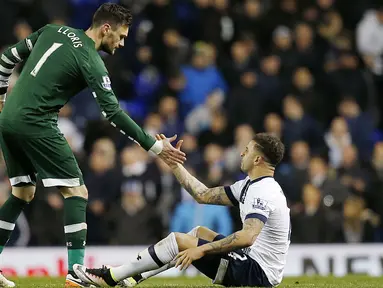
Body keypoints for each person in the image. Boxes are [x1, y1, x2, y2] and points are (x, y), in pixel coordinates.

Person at [0, 3, 185, 288]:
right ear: (106, 28)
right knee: (77, 191)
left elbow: (6, 58)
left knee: (22, 193)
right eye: (121, 36)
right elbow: (113, 113)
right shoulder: (90, 59)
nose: (122, 43)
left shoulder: (53, 30)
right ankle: (76, 272)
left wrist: (1, 99)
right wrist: (155, 147)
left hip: (8, 118)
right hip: (36, 121)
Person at [73, 133, 291, 288]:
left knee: (180, 240)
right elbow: (202, 195)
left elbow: (248, 236)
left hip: (258, 274)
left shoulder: (263, 191)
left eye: (247, 149)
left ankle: (111, 276)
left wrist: (201, 250)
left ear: (257, 159)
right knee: (197, 232)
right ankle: (131, 279)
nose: (242, 153)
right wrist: (173, 163)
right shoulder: (249, 185)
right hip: (252, 263)